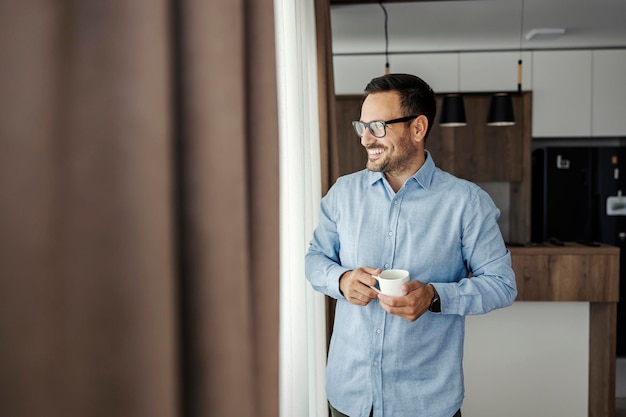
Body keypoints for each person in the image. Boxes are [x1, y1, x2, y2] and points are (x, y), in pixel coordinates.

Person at [304, 73, 518, 417]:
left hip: (425, 404)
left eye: (377, 126)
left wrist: (435, 296)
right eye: (362, 126)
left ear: (417, 128)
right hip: (348, 397)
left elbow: (502, 285)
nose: (365, 139)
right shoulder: (342, 194)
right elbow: (314, 259)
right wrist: (341, 281)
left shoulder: (466, 202)